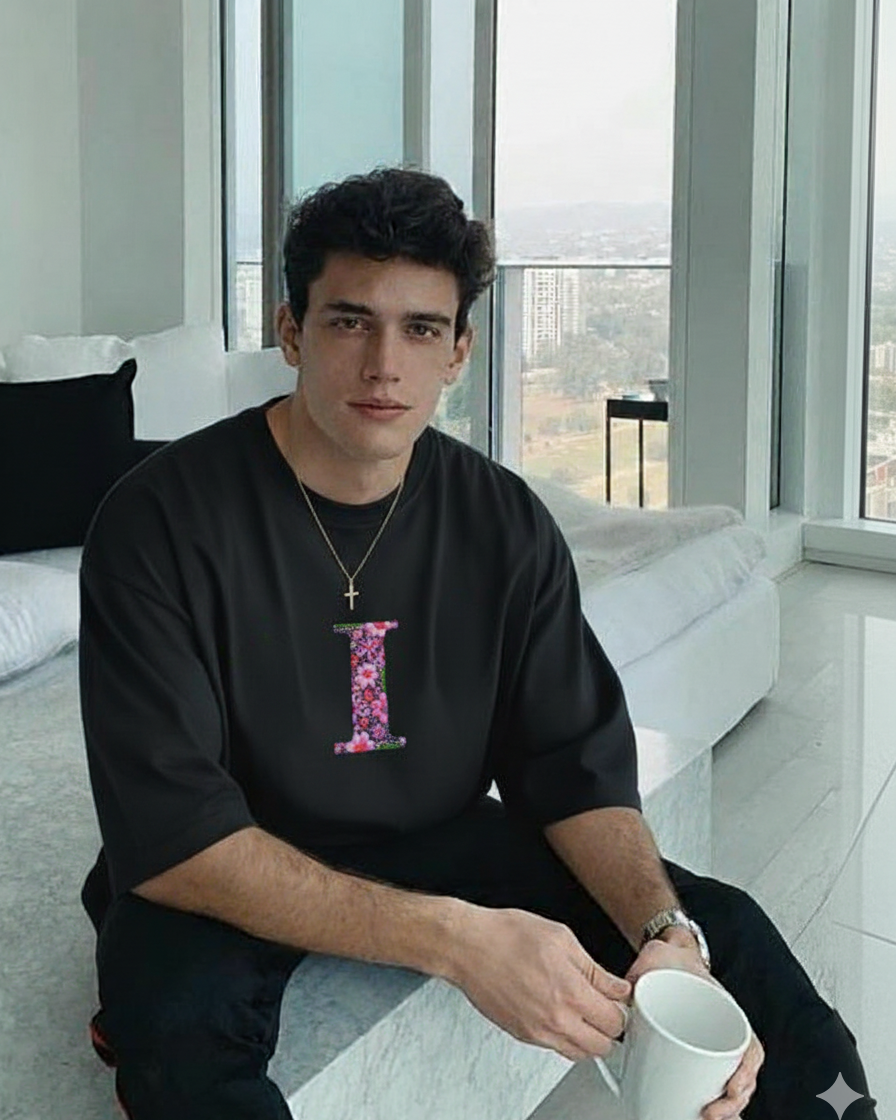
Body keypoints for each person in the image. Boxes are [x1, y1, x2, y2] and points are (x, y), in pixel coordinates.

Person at [79, 167, 876, 1120]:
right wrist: (457, 941)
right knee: (178, 1033)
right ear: (290, 331)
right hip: (236, 851)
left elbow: (569, 768)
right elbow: (177, 840)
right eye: (350, 321)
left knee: (727, 937)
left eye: (421, 329)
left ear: (459, 350)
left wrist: (665, 931)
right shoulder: (157, 522)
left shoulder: (503, 521)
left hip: (436, 837)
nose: (385, 365)